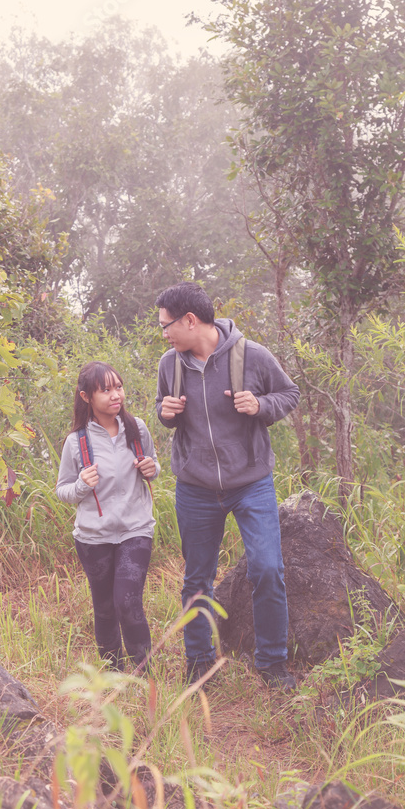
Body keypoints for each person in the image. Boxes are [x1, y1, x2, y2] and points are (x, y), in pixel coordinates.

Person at [155, 283, 300, 691]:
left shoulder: (251, 355)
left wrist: (261, 405)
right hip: (195, 486)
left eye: (166, 325)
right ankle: (199, 664)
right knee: (196, 578)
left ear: (190, 320)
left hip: (251, 482)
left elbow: (290, 393)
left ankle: (272, 664)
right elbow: (163, 409)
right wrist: (165, 412)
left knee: (268, 569)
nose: (164, 333)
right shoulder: (170, 364)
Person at [56, 361, 160, 672]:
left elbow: (152, 465)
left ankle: (144, 675)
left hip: (135, 529)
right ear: (86, 397)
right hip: (93, 537)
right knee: (103, 607)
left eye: (118, 387)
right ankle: (114, 674)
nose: (116, 395)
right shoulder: (77, 442)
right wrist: (81, 486)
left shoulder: (136, 428)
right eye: (106, 390)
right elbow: (62, 490)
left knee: (127, 602)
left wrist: (152, 469)